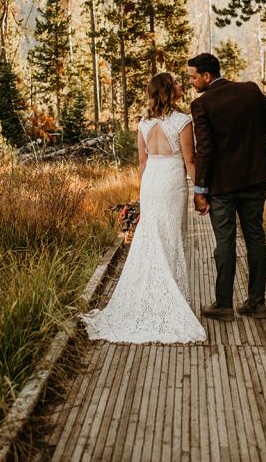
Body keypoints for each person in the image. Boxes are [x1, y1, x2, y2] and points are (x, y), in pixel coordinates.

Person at [81, 72, 207, 343]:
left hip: (151, 183)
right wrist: (201, 192)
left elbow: (142, 162)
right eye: (174, 82)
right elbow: (190, 161)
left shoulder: (144, 123)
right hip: (172, 183)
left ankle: (151, 295)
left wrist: (143, 192)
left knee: (151, 239)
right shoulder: (183, 121)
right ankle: (167, 299)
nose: (179, 84)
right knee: (170, 237)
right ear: (167, 90)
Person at [187, 52, 266, 322]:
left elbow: (204, 150)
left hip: (222, 186)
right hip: (254, 178)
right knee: (255, 236)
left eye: (193, 76)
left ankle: (224, 305)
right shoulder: (250, 90)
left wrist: (199, 190)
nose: (191, 82)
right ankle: (257, 303)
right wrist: (249, 134)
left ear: (207, 76)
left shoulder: (202, 104)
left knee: (225, 241)